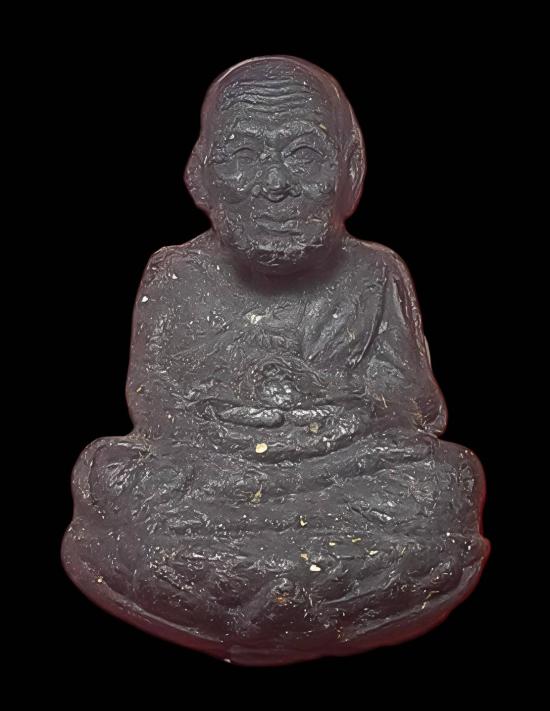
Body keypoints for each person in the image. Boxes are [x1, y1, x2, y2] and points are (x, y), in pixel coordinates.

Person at [62, 56, 489, 666]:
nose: (274, 183)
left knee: (446, 481)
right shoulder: (177, 275)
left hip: (343, 470)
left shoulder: (375, 274)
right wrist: (230, 421)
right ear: (201, 175)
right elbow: (154, 405)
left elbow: (418, 408)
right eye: (244, 153)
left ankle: (238, 588)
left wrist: (333, 417)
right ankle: (318, 589)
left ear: (350, 170)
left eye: (303, 154)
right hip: (216, 472)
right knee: (110, 473)